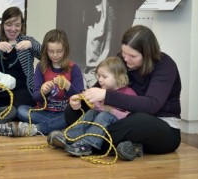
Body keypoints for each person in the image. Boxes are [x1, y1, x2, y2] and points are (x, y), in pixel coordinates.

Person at [50, 25, 181, 161]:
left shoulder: (165, 65)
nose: (126, 59)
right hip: (122, 119)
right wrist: (81, 99)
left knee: (140, 120)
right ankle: (121, 146)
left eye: (132, 56)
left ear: (147, 53)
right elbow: (100, 87)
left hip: (161, 127)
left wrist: (106, 96)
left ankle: (82, 140)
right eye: (124, 53)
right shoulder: (122, 61)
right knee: (72, 111)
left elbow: (151, 105)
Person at [0, 29, 84, 137]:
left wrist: (68, 86)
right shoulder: (41, 67)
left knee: (77, 115)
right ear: (46, 50)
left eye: (59, 51)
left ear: (65, 50)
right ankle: (58, 127)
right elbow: (36, 97)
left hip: (65, 113)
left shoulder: (74, 68)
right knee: (21, 110)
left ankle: (38, 128)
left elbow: (80, 98)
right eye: (51, 51)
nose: (55, 55)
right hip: (44, 112)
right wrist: (43, 91)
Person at [63, 56, 137, 157]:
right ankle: (71, 137)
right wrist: (83, 100)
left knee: (104, 115)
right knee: (92, 112)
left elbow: (131, 118)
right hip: (102, 126)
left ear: (119, 77)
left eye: (104, 77)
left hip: (118, 128)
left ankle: (88, 144)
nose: (100, 80)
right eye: (99, 76)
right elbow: (95, 108)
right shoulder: (102, 92)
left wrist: (111, 111)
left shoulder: (128, 93)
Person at [0, 7, 42, 109]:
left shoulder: (28, 40)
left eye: (17, 25)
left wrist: (32, 45)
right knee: (0, 110)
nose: (13, 29)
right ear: (3, 25)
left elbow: (46, 55)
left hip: (24, 91)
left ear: (22, 26)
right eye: (9, 24)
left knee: (19, 110)